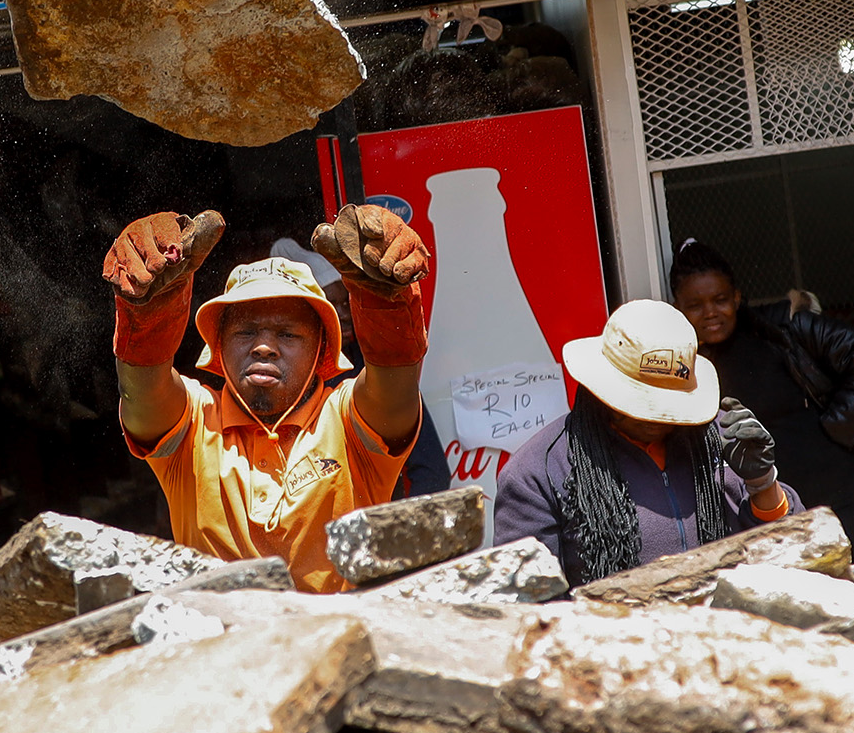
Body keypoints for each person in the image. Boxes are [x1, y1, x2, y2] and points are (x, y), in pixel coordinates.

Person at [109, 205, 431, 592]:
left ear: (321, 351)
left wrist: (388, 304)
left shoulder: (347, 417)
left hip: (338, 646)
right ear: (219, 348)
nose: (264, 347)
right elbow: (143, 389)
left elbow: (394, 377)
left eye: (288, 334)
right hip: (221, 647)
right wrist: (145, 315)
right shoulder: (195, 420)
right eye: (246, 332)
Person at [493, 299, 804, 586]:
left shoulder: (716, 437)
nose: (657, 418)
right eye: (642, 404)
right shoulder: (538, 472)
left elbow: (792, 545)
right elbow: (528, 607)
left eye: (669, 406)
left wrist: (762, 481)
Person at [668, 239, 854, 562]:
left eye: (720, 299)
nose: (710, 312)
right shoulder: (684, 368)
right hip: (771, 522)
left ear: (737, 297)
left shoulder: (782, 330)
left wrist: (837, 429)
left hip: (845, 503)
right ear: (678, 308)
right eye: (695, 305)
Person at [271, 236, 451, 496]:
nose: (344, 313)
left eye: (347, 303)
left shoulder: (377, 376)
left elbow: (432, 472)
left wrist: (402, 532)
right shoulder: (279, 387)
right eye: (333, 304)